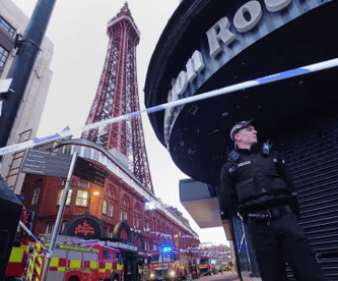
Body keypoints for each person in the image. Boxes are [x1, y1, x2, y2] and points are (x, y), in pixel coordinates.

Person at [218, 120, 323, 281]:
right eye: (250, 129)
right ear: (236, 136)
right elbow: (226, 198)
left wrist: (292, 215)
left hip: (285, 218)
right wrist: (246, 218)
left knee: (307, 268)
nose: (255, 132)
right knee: (272, 273)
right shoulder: (230, 166)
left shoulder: (271, 156)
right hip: (260, 225)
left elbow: (290, 185)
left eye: (255, 129)